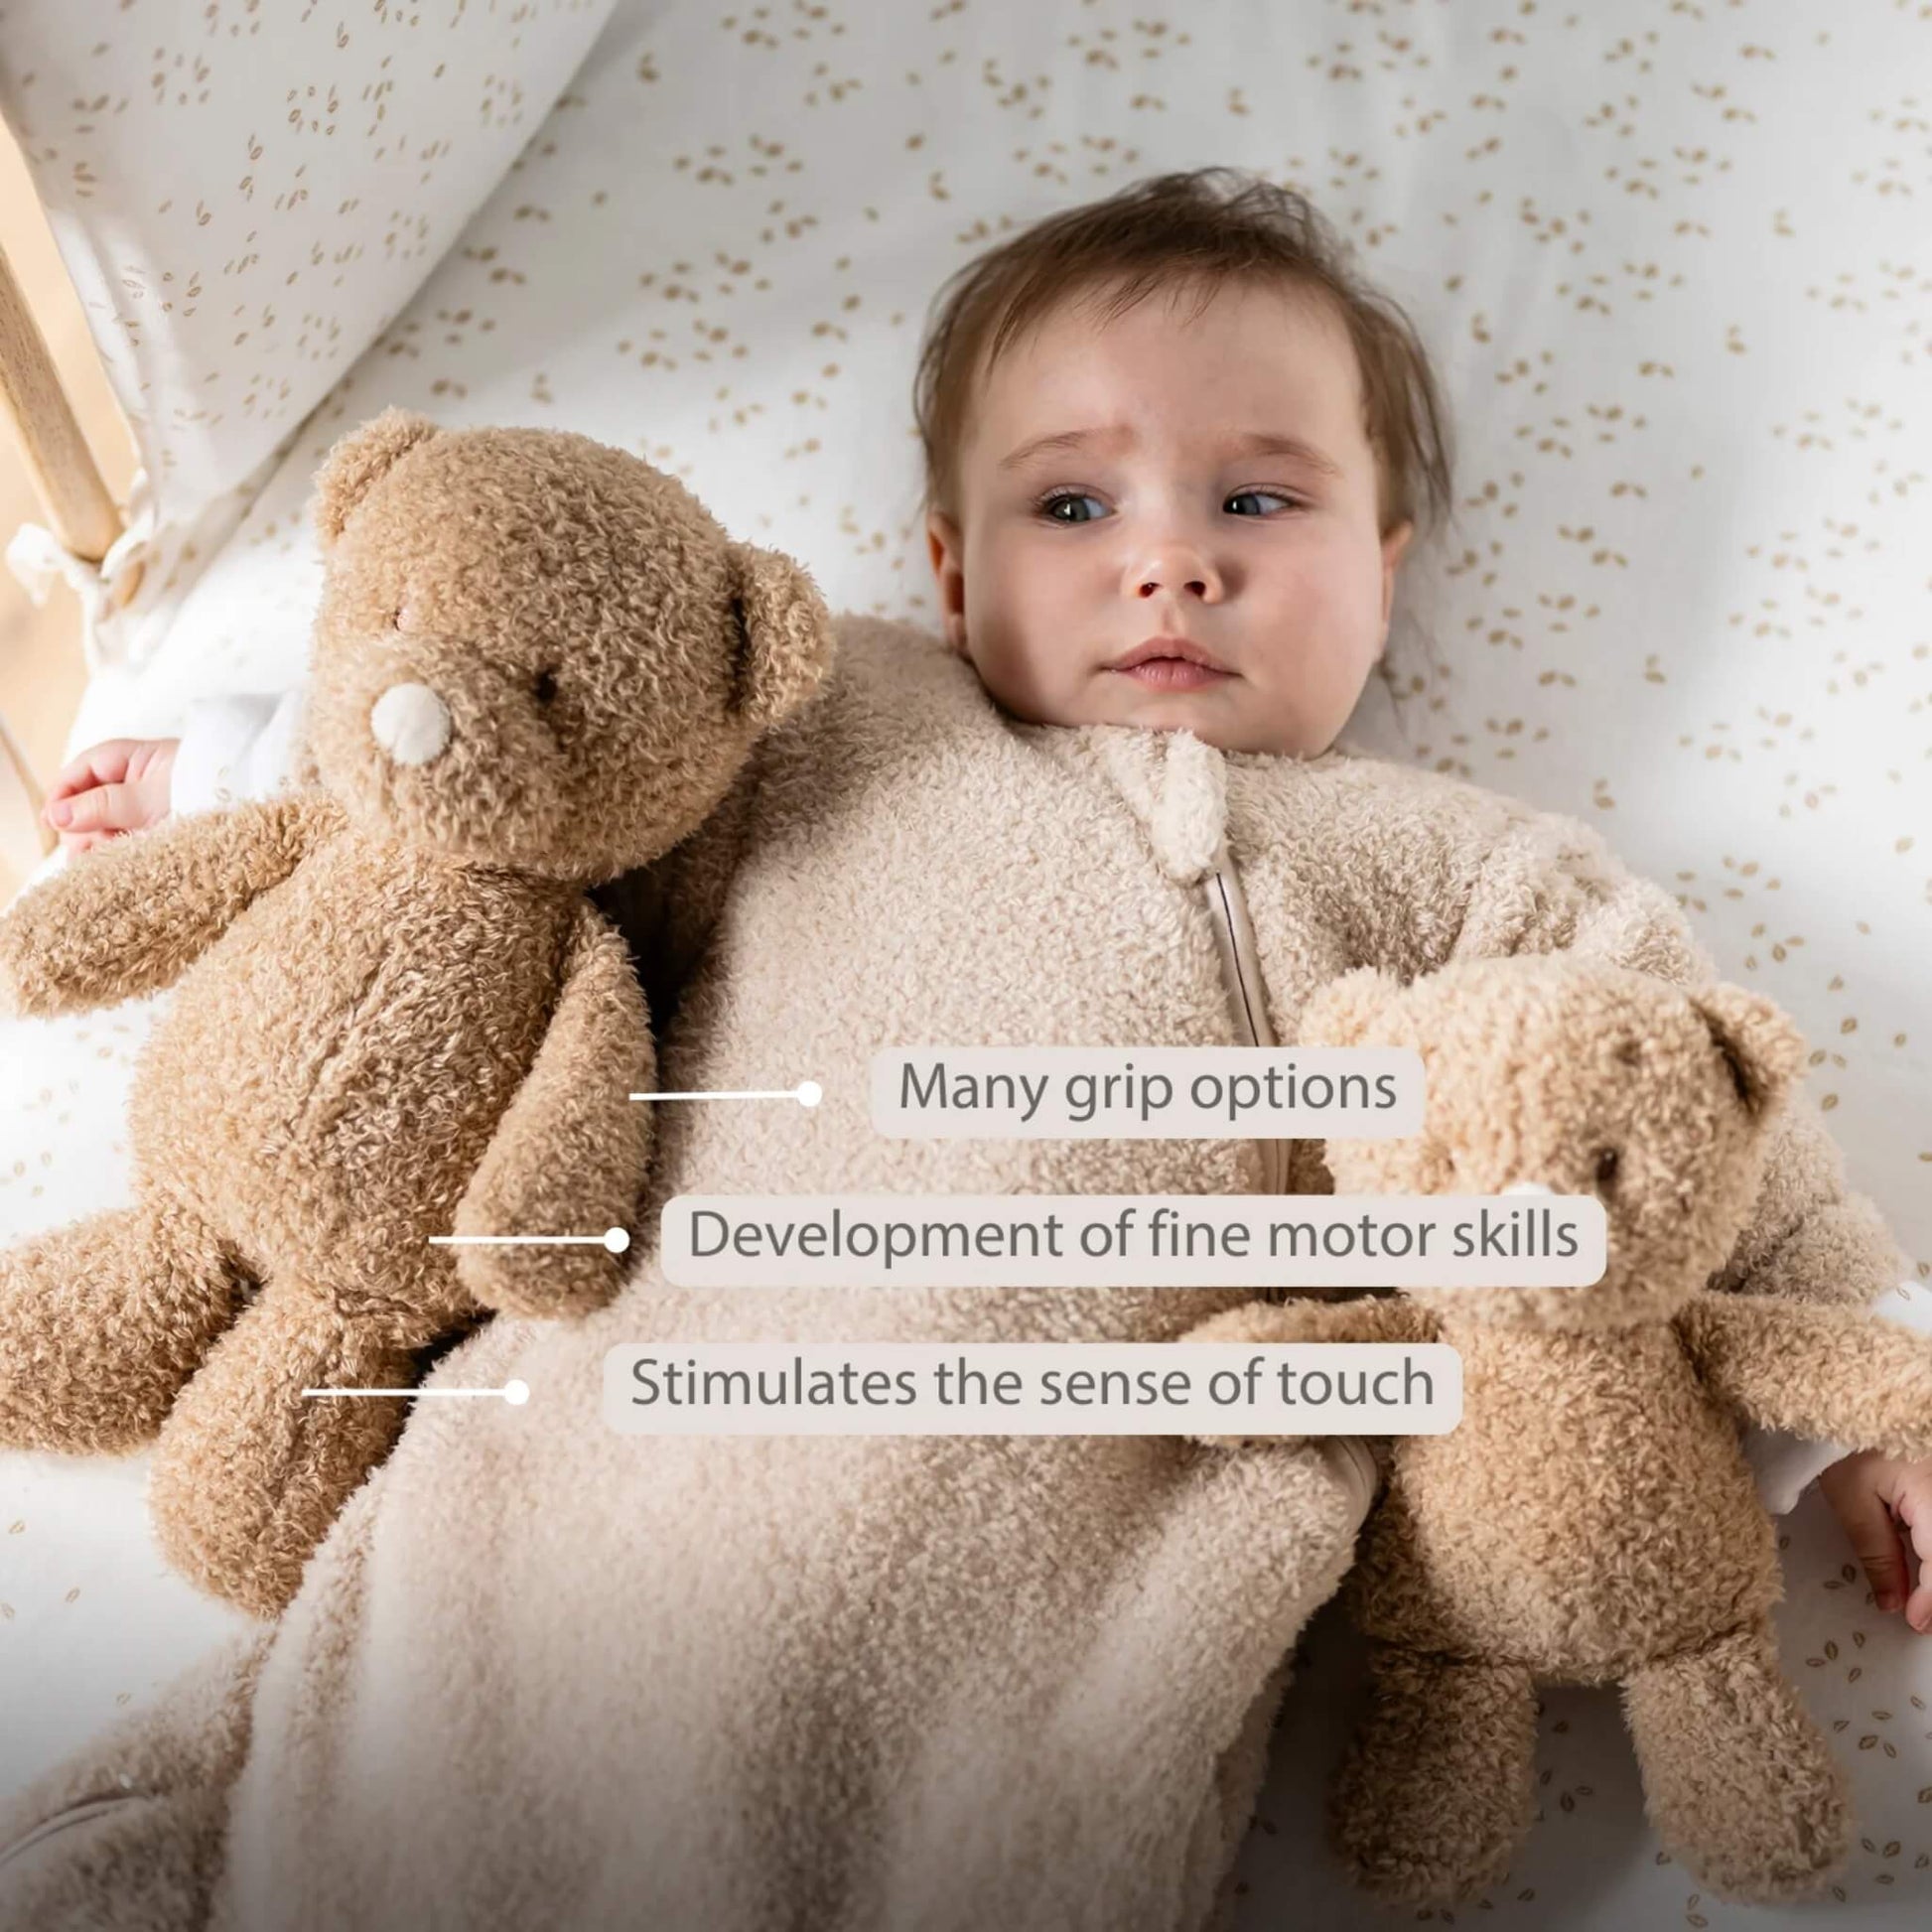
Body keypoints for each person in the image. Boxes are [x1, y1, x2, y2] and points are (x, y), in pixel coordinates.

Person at [10, 170, 1926, 1930]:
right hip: (635, 1441)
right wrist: (232, 768)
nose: (1168, 559)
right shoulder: (838, 721)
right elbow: (528, 775)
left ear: (1385, 560)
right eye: (1072, 504)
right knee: (388, 1770)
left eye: (1257, 499)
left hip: (1060, 1570)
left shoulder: (1447, 865)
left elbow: (1683, 1118)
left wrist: (1872, 1405)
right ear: (948, 567)